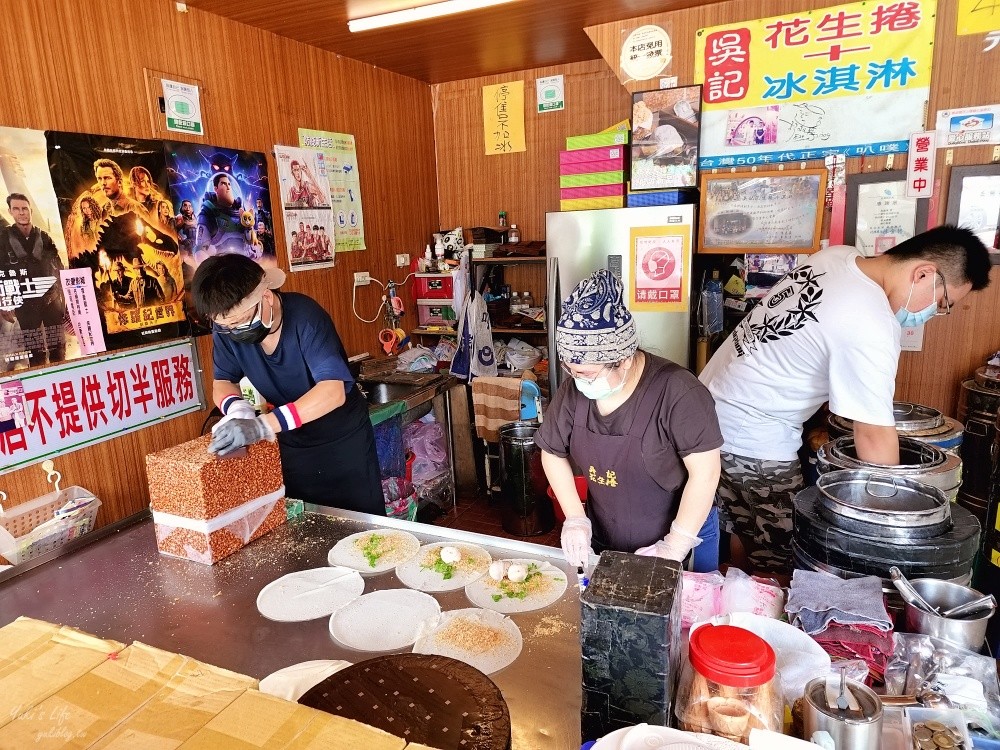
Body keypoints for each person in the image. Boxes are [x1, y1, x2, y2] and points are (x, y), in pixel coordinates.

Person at [699, 226, 992, 575]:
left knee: (747, 532)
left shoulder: (837, 256)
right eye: (943, 304)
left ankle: (735, 597)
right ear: (924, 273)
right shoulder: (871, 323)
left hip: (705, 414)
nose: (934, 314)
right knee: (783, 554)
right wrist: (899, 524)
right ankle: (757, 619)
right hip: (755, 440)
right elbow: (873, 436)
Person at [536, 270, 724, 572]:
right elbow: (551, 451)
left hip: (681, 539)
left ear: (623, 358)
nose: (576, 380)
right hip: (607, 536)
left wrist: (674, 546)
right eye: (570, 369)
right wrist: (574, 517)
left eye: (586, 373)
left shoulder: (679, 392)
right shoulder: (573, 391)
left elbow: (706, 472)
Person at [192, 254, 384, 513]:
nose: (233, 332)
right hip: (292, 442)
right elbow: (223, 381)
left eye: (238, 323)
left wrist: (261, 426)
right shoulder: (227, 329)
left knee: (360, 530)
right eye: (225, 326)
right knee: (306, 528)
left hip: (342, 442)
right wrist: (238, 409)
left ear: (266, 298)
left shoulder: (306, 318)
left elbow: (332, 391)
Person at [2, 193, 67, 367]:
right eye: (16, 209)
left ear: (30, 210)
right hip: (25, 303)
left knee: (58, 348)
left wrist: (65, 298)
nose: (22, 213)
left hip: (50, 299)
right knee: (35, 352)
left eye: (24, 208)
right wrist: (3, 303)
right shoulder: (3, 240)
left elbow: (59, 267)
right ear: (10, 212)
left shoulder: (44, 237)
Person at [196, 173, 248, 258]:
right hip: (220, 263)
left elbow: (251, 239)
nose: (228, 187)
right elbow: (200, 250)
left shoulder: (240, 210)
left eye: (229, 184)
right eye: (223, 183)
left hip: (244, 261)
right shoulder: (208, 211)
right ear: (215, 188)